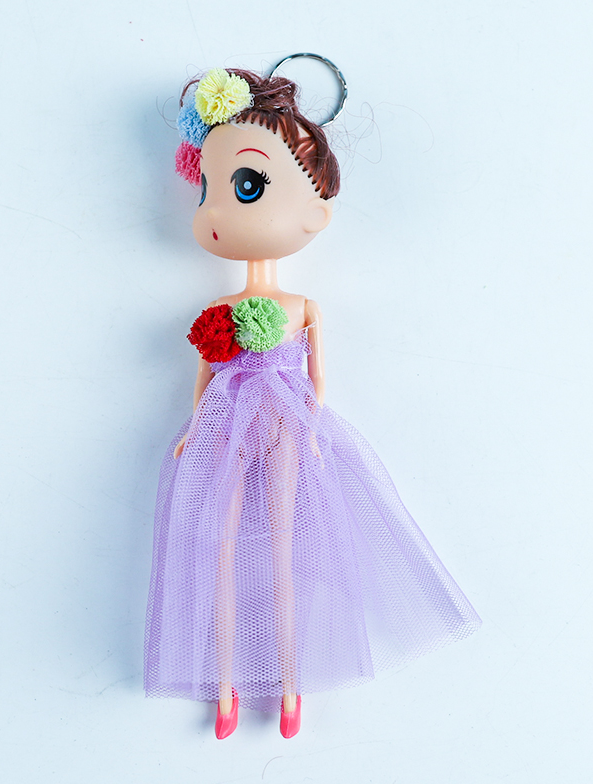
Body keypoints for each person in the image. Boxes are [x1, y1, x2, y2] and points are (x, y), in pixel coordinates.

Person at [144, 65, 481, 739]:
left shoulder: (302, 307)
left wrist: (314, 425)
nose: (217, 209)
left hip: (289, 428)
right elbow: (207, 373)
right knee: (220, 553)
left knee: (286, 552)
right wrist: (192, 429)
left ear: (316, 212)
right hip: (225, 430)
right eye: (209, 188)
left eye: (246, 185)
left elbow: (317, 379)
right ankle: (226, 687)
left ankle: (291, 684)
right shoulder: (220, 308)